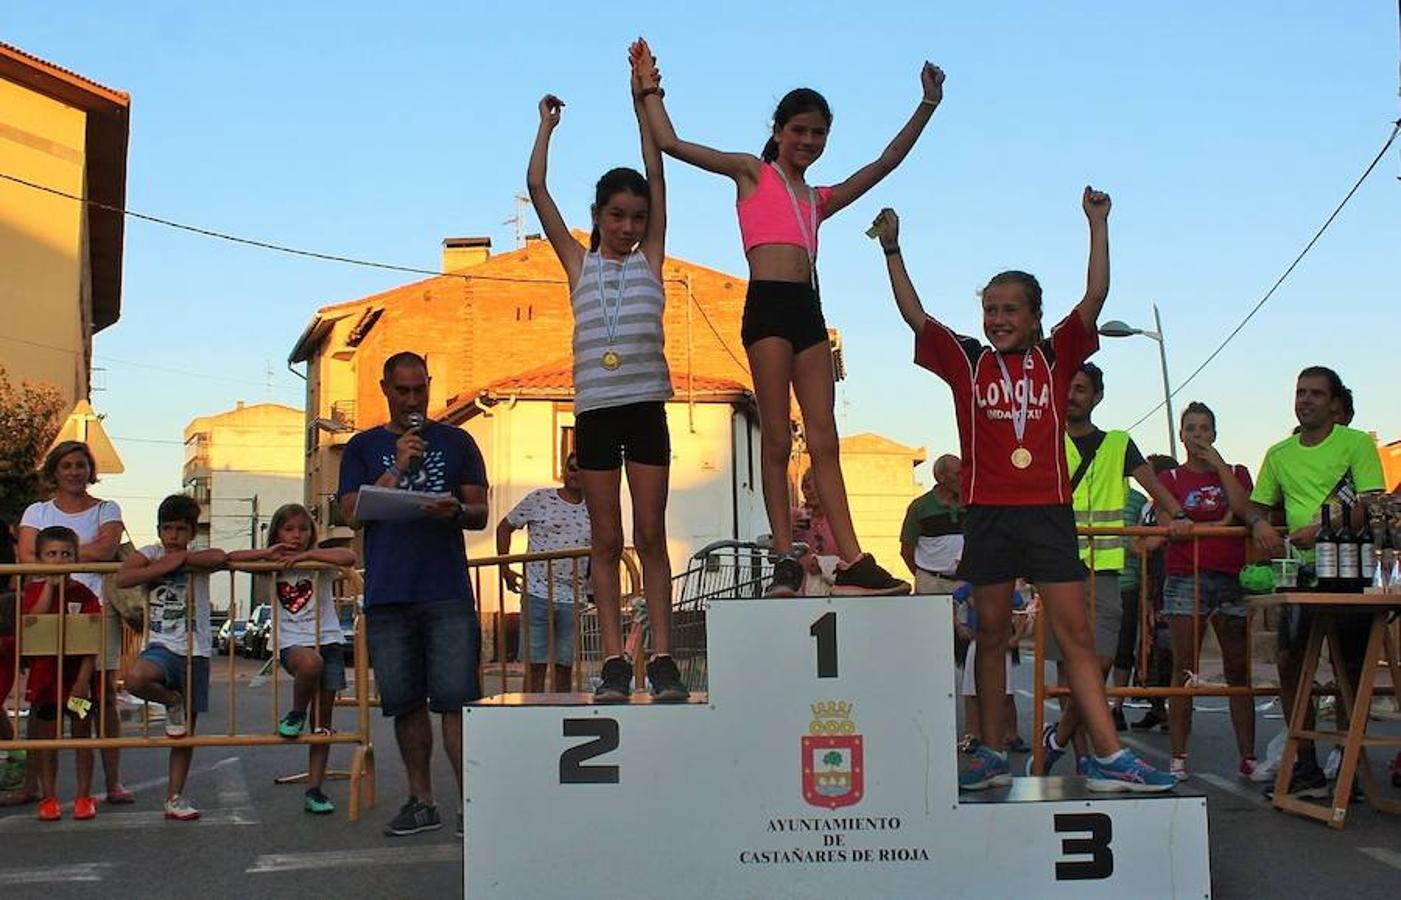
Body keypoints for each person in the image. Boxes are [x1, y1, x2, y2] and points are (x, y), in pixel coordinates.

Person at [874, 192, 1174, 793]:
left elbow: (1094, 298)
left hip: (1047, 516)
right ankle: (987, 750)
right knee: (989, 634)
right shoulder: (966, 361)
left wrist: (1098, 224)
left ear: (1035, 317)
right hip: (987, 516)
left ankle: (1107, 754)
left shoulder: (1057, 355)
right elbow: (916, 317)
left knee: (1076, 635)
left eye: (1011, 310)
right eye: (990, 309)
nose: (999, 319)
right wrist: (892, 249)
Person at [633, 37, 935, 597]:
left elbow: (885, 163)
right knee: (777, 437)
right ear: (778, 130)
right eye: (799, 130)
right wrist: (649, 88)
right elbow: (672, 144)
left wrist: (926, 105)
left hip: (808, 310)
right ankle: (783, 557)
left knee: (825, 437)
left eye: (818, 133)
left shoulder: (817, 199)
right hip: (767, 304)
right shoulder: (753, 173)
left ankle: (851, 557)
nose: (808, 141)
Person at [524, 45, 688, 704]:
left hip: (645, 408)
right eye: (616, 216)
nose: (627, 227)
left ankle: (665, 659)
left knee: (650, 535)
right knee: (606, 537)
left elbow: (657, 167)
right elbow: (537, 189)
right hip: (593, 414)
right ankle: (616, 659)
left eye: (637, 218)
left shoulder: (650, 259)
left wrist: (640, 97)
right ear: (596, 217)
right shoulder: (577, 263)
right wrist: (546, 128)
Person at [338, 351, 488, 838]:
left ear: (429, 386)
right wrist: (395, 470)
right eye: (402, 391)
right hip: (388, 593)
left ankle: (473, 805)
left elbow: (480, 510)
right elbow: (352, 513)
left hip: (445, 590)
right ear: (385, 390)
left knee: (457, 701)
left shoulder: (458, 440)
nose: (412, 400)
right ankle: (422, 801)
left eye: (419, 389)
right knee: (405, 704)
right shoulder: (362, 447)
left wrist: (456, 513)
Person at [1221, 366, 1385, 799]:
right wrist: (1259, 525)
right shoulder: (1278, 453)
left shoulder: (1355, 444)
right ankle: (1306, 760)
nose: (1305, 399)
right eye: (1299, 392)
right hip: (1301, 573)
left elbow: (1369, 504)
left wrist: (1323, 528)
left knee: (1348, 667)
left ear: (1335, 404)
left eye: (1315, 393)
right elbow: (1256, 506)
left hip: (1349, 567)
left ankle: (1351, 769)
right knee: (1292, 660)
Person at [1038, 363, 1190, 772]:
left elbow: (1154, 487)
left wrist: (1178, 515)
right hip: (1057, 569)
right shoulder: (1045, 440)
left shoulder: (1119, 443)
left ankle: (1059, 736)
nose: (1072, 395)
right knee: (1068, 674)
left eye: (1082, 389)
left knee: (1101, 663)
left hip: (1104, 570)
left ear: (1097, 397)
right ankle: (1086, 759)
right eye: (1067, 388)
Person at [10, 441, 130, 807]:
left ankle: (110, 782)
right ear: (55, 471)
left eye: (81, 465)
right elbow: (29, 557)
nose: (75, 472)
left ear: (90, 470)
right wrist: (79, 553)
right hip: (45, 612)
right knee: (44, 697)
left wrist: (58, 553)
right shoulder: (37, 510)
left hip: (94, 609)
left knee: (98, 695)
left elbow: (106, 551)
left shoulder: (107, 508)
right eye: (67, 465)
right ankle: (34, 785)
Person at [229, 503, 356, 815]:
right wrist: (269, 552)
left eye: (302, 529)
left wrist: (304, 556)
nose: (296, 536)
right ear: (276, 533)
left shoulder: (318, 560)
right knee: (311, 663)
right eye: (288, 529)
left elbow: (348, 557)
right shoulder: (273, 563)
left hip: (329, 641)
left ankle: (315, 789)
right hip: (293, 644)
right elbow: (230, 560)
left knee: (323, 725)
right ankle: (296, 713)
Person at [1156, 403, 1256, 780]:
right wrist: (1184, 522)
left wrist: (1220, 466)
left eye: (1205, 430)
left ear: (1214, 435)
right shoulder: (1171, 478)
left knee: (1238, 669)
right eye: (1191, 429)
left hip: (1231, 578)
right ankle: (1178, 756)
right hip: (1186, 577)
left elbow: (1243, 508)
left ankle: (1247, 756)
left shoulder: (1236, 473)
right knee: (1185, 668)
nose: (1198, 436)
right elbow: (1167, 516)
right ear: (1181, 435)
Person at [116, 494, 228, 821]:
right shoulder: (150, 553)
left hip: (197, 650)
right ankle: (170, 700)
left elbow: (220, 556)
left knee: (184, 734)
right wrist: (169, 563)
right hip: (161, 645)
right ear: (159, 529)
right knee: (137, 678)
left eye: (181, 529)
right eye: (168, 529)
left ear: (192, 531)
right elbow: (124, 576)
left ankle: (174, 797)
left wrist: (180, 561)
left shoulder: (198, 555)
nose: (173, 536)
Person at [22, 526, 101, 821]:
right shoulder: (31, 592)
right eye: (51, 554)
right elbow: (34, 620)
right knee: (47, 742)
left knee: (82, 737)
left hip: (77, 683)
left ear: (76, 557)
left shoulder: (85, 594)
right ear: (41, 559)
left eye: (66, 554)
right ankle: (49, 796)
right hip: (45, 683)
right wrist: (50, 587)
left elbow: (90, 642)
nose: (59, 560)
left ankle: (84, 795)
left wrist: (82, 682)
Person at [495, 453, 591, 692]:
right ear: (564, 470)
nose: (577, 474)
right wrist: (505, 568)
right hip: (537, 592)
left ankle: (559, 715)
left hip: (574, 596)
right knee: (536, 665)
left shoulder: (597, 505)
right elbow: (504, 528)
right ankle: (532, 715)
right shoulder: (540, 498)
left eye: (583, 469)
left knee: (564, 665)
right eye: (572, 468)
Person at [954, 582, 1033, 754]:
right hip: (977, 641)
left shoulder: (1007, 587)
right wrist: (960, 627)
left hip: (1000, 642)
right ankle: (972, 735)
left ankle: (1012, 735)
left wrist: (1016, 638)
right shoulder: (969, 587)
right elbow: (950, 603)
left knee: (1006, 692)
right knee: (972, 692)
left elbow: (1022, 614)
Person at [900, 454, 965, 595]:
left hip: (966, 583)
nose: (963, 478)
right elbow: (907, 551)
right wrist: (925, 576)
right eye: (958, 474)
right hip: (931, 583)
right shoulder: (920, 507)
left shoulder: (971, 505)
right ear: (941, 477)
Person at [1111, 487, 1147, 730]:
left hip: (1127, 583)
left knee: (1123, 650)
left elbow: (1143, 541)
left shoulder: (1138, 500)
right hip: (1088, 579)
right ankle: (1085, 708)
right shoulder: (1082, 490)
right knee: (1091, 650)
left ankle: (1117, 707)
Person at [792, 468, 840, 593]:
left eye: (818, 486)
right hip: (798, 592)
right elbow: (773, 555)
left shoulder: (837, 520)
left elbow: (848, 559)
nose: (812, 492)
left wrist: (823, 565)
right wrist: (789, 533)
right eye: (808, 487)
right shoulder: (795, 515)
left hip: (830, 592)